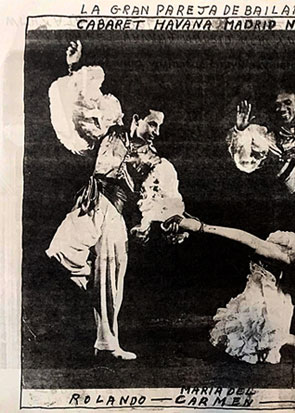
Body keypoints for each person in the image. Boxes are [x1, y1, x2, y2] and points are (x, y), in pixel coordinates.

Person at [45, 41, 185, 360]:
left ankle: (107, 343)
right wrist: (73, 66)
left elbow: (159, 196)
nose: (156, 132)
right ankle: (81, 282)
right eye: (152, 124)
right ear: (137, 118)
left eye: (160, 127)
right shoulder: (112, 126)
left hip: (116, 214)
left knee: (111, 279)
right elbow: (78, 108)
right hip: (93, 200)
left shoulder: (154, 160)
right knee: (63, 253)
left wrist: (148, 223)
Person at [172, 216, 295, 364]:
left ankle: (293, 327)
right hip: (268, 277)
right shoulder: (281, 256)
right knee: (263, 337)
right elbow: (246, 238)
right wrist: (202, 227)